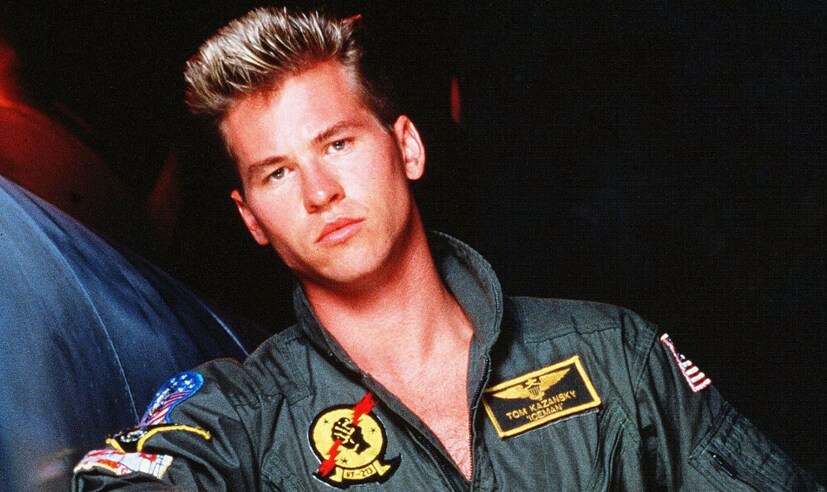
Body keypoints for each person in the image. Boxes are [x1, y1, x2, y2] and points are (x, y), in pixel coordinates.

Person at [73, 7, 822, 491]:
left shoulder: (610, 355)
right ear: (252, 219)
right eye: (276, 173)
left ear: (406, 147)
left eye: (337, 143)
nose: (319, 191)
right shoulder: (246, 413)